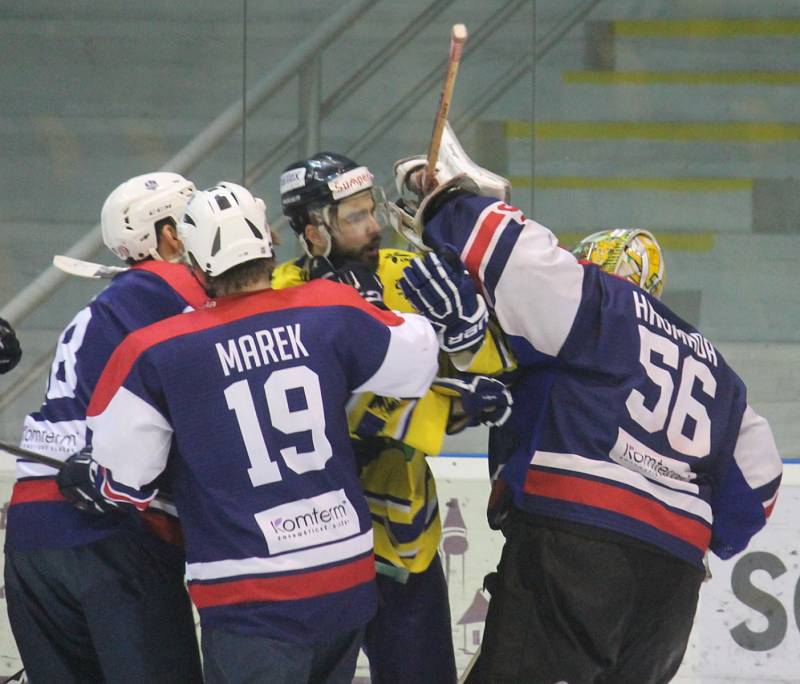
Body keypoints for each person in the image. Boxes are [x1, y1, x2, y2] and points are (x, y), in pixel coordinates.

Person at [394, 148, 783, 684]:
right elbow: (759, 490)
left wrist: (446, 201)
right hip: (671, 586)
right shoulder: (717, 369)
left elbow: (520, 257)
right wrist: (685, 529)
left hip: (577, 549)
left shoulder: (602, 306)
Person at [60, 182, 441, 684]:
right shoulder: (330, 307)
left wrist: (91, 478)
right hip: (345, 582)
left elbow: (123, 482)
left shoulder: (156, 349)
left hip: (249, 599)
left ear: (196, 267)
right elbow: (418, 360)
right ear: (269, 242)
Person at [274, 152, 514, 683]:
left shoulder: (407, 271)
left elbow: (494, 370)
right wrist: (450, 404)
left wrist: (470, 335)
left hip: (407, 533)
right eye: (354, 217)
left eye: (372, 209)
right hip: (316, 536)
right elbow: (336, 406)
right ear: (313, 231)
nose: (374, 226)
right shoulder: (280, 296)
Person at [4, 172, 204, 683]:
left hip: (30, 536)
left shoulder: (116, 301)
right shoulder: (174, 287)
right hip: (112, 530)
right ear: (168, 237)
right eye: (194, 216)